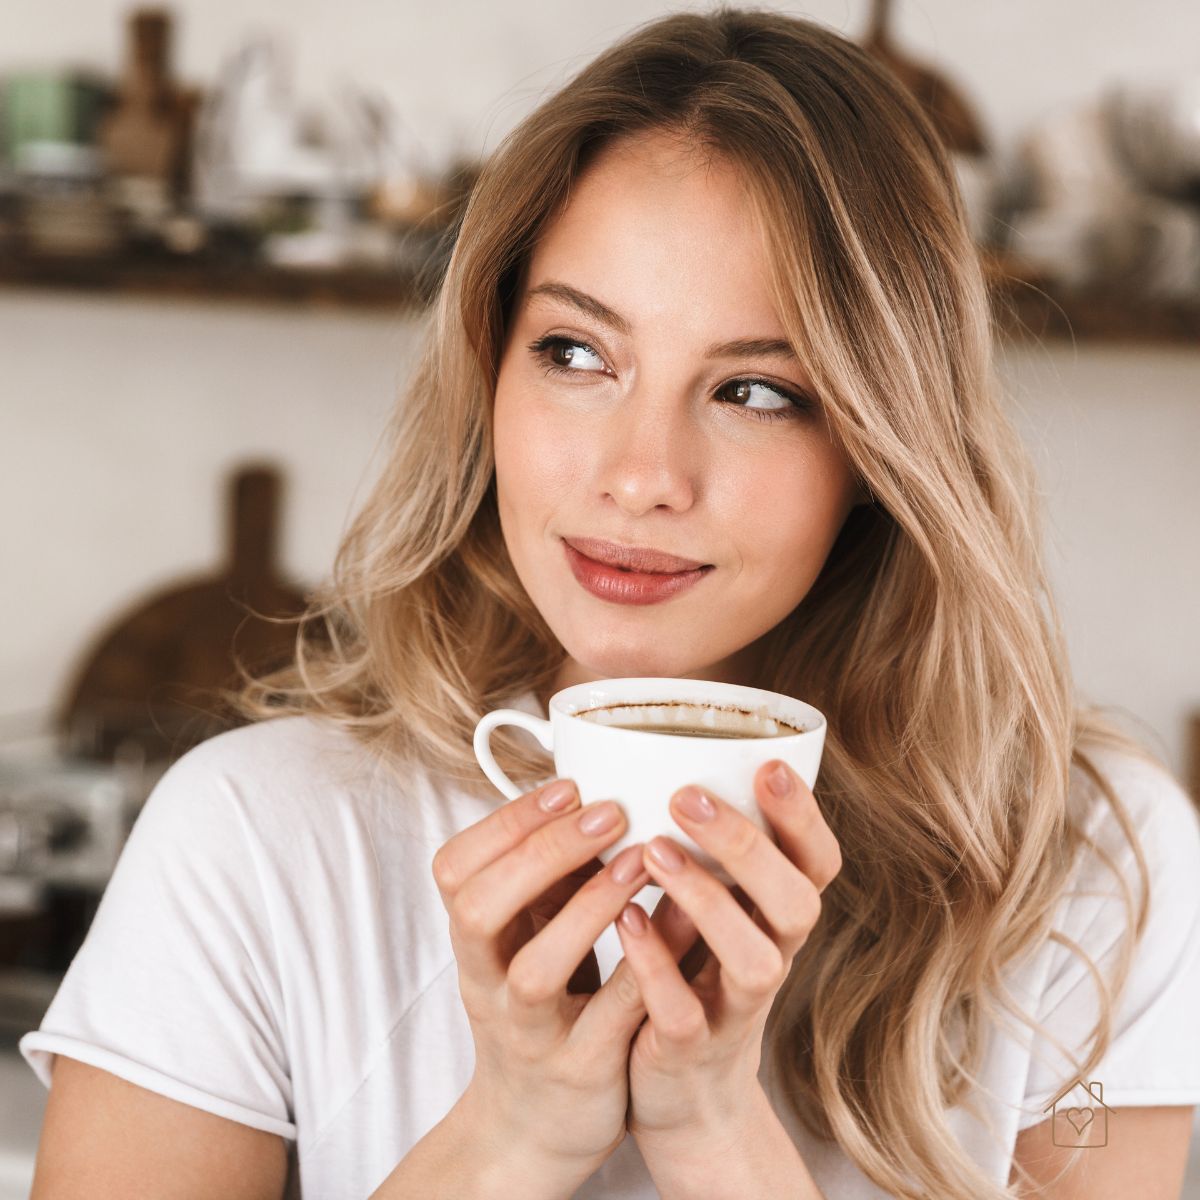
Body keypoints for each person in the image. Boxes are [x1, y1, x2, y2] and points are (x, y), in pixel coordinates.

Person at [19, 7, 1200, 1199]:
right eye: (578, 354)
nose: (641, 477)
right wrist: (516, 1132)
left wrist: (714, 1131)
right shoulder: (253, 840)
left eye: (754, 389)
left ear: (881, 450)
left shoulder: (1094, 869)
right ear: (490, 369)